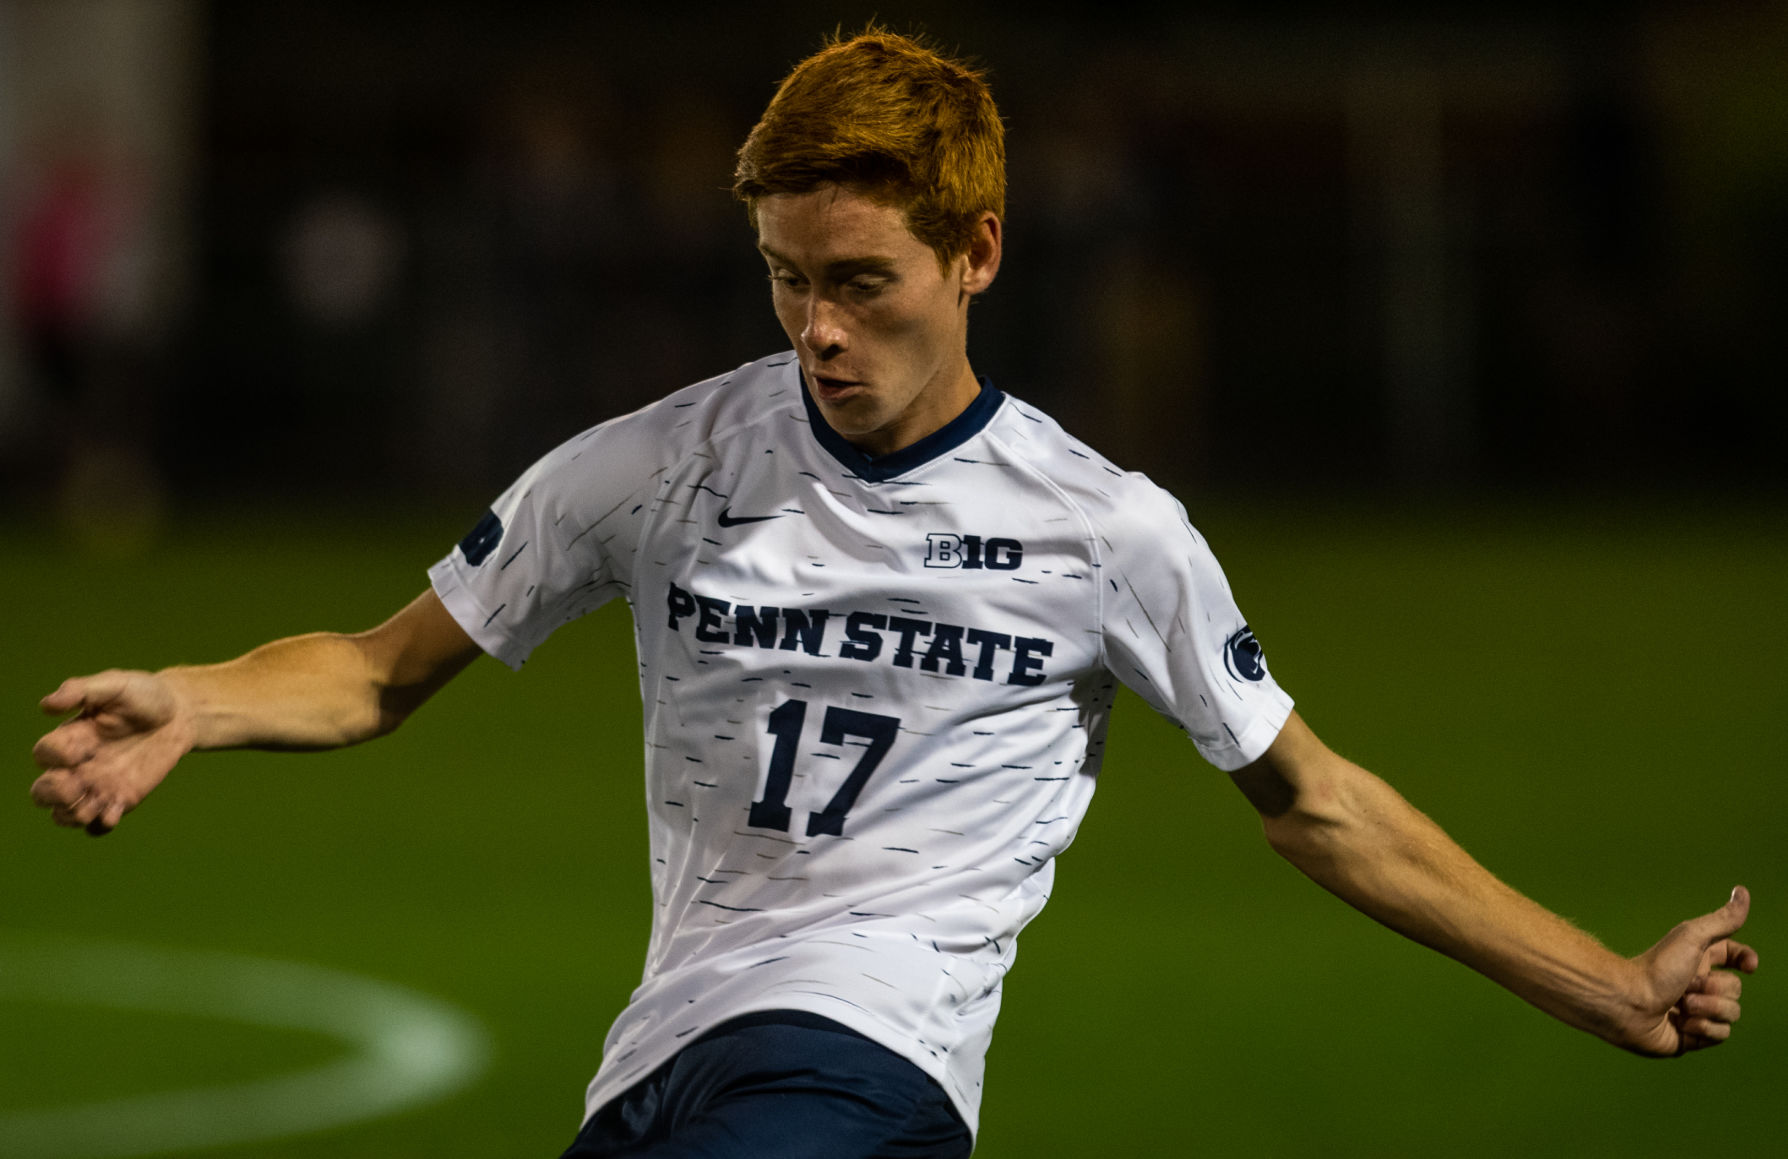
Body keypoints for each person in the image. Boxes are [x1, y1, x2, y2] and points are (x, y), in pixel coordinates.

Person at [29, 27, 1757, 1159]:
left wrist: (1605, 986)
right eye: (787, 280)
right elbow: (380, 669)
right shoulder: (658, 464)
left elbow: (1317, 804)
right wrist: (197, 699)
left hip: (865, 1072)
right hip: (661, 1063)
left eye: (862, 281)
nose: (819, 329)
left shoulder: (1105, 530)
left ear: (978, 252)